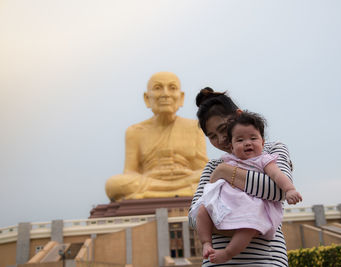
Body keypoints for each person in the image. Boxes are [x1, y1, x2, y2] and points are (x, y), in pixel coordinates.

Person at [189, 87, 295, 266]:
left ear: (238, 115)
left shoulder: (271, 151)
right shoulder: (213, 166)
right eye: (212, 136)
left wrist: (225, 173)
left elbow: (278, 191)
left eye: (223, 129)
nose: (222, 139)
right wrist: (249, 223)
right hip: (217, 262)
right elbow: (194, 217)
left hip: (264, 261)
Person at [105, 72, 208, 201]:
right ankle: (177, 193)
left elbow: (202, 169)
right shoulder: (135, 131)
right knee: (113, 184)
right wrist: (151, 176)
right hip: (150, 181)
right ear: (147, 98)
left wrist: (190, 175)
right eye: (158, 88)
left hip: (185, 179)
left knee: (212, 175)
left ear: (181, 97)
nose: (165, 94)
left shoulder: (194, 127)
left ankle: (152, 195)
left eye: (172, 88)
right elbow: (130, 172)